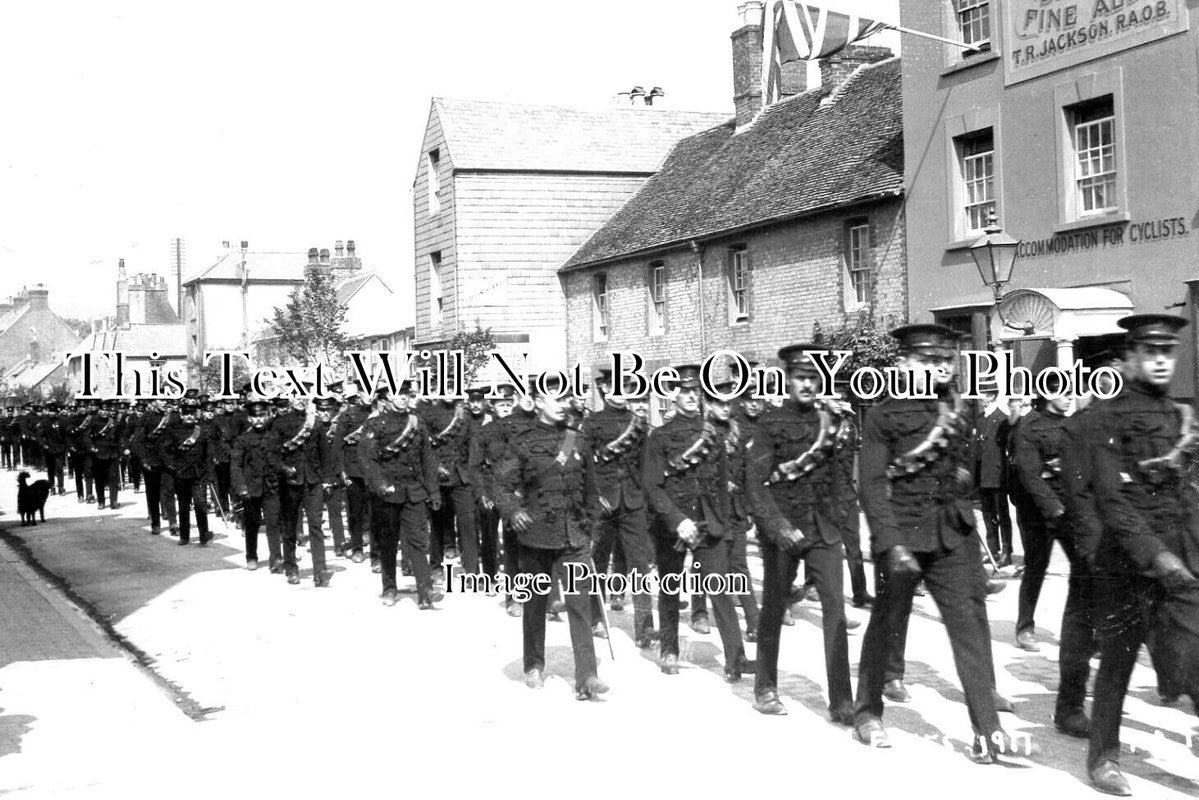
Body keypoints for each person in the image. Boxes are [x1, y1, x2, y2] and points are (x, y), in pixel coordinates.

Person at [853, 324, 1031, 762]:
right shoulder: (882, 416)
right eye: (925, 361)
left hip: (952, 535)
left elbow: (964, 470)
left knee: (968, 628)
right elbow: (872, 487)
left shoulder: (961, 410)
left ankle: (987, 730)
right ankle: (867, 712)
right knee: (887, 624)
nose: (936, 369)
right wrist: (890, 543)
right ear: (904, 365)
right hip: (903, 535)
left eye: (944, 361)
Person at [1085, 314, 1199, 796]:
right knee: (1118, 660)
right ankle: (1103, 760)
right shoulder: (1104, 417)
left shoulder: (1176, 415)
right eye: (1150, 352)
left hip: (1177, 562)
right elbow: (1111, 499)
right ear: (1129, 359)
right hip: (1127, 561)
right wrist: (1156, 556)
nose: (1159, 360)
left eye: (1167, 352)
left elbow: (1184, 494)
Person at [747, 344, 853, 721]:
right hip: (784, 533)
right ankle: (765, 687)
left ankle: (842, 701)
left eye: (813, 378)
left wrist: (840, 518)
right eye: (800, 378)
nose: (807, 385)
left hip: (823, 529)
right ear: (788, 380)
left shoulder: (831, 422)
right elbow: (756, 485)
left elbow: (841, 475)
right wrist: (777, 527)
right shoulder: (769, 424)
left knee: (836, 612)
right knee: (774, 607)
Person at [494, 373, 607, 700]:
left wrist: (591, 530)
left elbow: (590, 492)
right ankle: (534, 664)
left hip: (573, 537)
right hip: (536, 536)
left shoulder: (578, 440)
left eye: (566, 397)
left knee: (579, 605)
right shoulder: (522, 441)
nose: (563, 404)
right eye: (556, 398)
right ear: (539, 401)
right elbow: (500, 485)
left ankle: (587, 675)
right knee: (535, 602)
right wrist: (514, 511)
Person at [643, 363, 751, 682]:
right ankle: (670, 649)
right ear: (671, 395)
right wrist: (676, 520)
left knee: (719, 586)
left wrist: (725, 525)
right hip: (672, 524)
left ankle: (735, 658)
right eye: (683, 391)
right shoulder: (660, 437)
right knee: (671, 587)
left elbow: (720, 483)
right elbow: (652, 485)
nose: (690, 396)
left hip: (708, 522)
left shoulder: (712, 434)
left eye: (695, 391)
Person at [1055, 346, 1123, 740]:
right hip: (1096, 547)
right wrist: (1094, 549)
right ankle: (1069, 707)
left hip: (1137, 546)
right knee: (1082, 627)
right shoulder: (1079, 427)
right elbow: (1077, 495)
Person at [582, 367, 657, 648]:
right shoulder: (592, 423)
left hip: (633, 502)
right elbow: (583, 462)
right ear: (603, 390)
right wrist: (591, 496)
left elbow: (647, 465)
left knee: (639, 565)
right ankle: (595, 618)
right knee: (598, 562)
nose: (620, 393)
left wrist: (647, 502)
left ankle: (645, 627)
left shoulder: (638, 424)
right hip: (602, 502)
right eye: (613, 387)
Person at [360, 383, 443, 608]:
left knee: (418, 541)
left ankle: (425, 590)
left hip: (414, 491)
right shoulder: (374, 424)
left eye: (407, 394)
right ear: (388, 397)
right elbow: (368, 460)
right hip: (388, 492)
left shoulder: (417, 423)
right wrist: (380, 485)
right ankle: (389, 588)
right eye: (399, 394)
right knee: (388, 542)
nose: (403, 398)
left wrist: (433, 491)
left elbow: (428, 459)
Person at [1012, 391, 1074, 652]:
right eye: (1065, 393)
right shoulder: (1030, 426)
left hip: (1070, 507)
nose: (1071, 398)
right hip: (1038, 511)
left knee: (1084, 568)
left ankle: (1081, 631)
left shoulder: (1073, 425)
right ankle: (1024, 628)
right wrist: (1054, 507)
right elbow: (1030, 474)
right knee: (1036, 568)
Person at [231, 397, 284, 571]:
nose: (259, 419)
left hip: (271, 487)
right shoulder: (242, 439)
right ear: (249, 419)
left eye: (262, 415)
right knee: (252, 523)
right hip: (250, 489)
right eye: (255, 417)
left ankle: (276, 558)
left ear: (268, 416)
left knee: (273, 523)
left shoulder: (275, 436)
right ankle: (251, 556)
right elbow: (236, 466)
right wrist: (241, 487)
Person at [160, 390, 213, 546]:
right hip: (181, 473)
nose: (189, 416)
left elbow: (208, 454)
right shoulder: (174, 431)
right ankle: (184, 536)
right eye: (186, 414)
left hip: (199, 474)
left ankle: (204, 534)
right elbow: (165, 450)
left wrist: (209, 473)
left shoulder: (201, 431)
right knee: (183, 506)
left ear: (195, 415)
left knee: (200, 504)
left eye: (192, 414)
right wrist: (173, 466)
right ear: (181, 415)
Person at [975, 385, 1014, 566]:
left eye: (982, 394)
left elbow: (1008, 449)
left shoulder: (1002, 419)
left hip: (998, 475)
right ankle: (993, 550)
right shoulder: (980, 419)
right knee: (987, 515)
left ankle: (1006, 552)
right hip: (983, 476)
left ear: (991, 396)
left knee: (1002, 514)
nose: (979, 398)